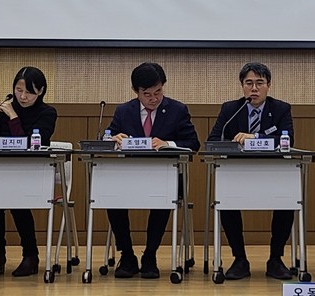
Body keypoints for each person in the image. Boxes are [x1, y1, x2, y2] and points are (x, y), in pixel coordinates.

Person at [105, 62, 200, 280]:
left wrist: (168, 144)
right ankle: (127, 255)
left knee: (164, 197)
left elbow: (193, 143)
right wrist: (113, 139)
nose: (154, 99)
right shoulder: (124, 111)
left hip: (164, 175)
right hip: (129, 177)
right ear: (136, 91)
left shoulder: (177, 110)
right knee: (111, 196)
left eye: (158, 92)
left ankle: (150, 255)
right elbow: (107, 138)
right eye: (147, 94)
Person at [206, 62, 294, 281]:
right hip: (237, 172)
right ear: (242, 86)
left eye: (259, 83)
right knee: (226, 201)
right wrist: (235, 143)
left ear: (268, 85)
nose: (254, 88)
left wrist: (255, 137)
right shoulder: (230, 109)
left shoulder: (281, 108)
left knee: (287, 202)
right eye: (249, 83)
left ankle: (276, 259)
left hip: (273, 173)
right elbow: (214, 140)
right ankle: (239, 259)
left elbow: (288, 140)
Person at [0, 66, 57, 278]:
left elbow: (31, 144)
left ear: (40, 91)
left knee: (18, 202)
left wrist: (13, 116)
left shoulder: (47, 113)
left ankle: (30, 256)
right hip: (3, 171)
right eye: (18, 90)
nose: (22, 96)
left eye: (29, 92)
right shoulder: (3, 110)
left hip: (32, 171)